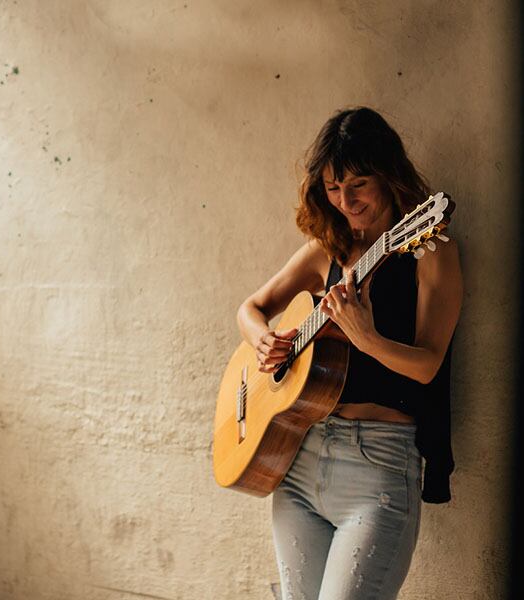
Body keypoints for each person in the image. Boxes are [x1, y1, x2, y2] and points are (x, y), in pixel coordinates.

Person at [235, 107, 463, 599]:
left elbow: (428, 365)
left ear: (388, 175)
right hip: (300, 459)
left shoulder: (430, 251)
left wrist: (368, 339)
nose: (346, 201)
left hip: (378, 464)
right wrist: (261, 338)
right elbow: (251, 308)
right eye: (333, 187)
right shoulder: (327, 248)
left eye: (358, 183)